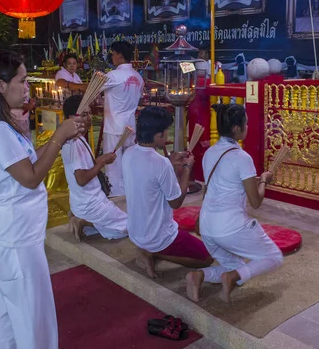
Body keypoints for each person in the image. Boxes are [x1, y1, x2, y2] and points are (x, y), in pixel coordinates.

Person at [0, 50, 82, 349]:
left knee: (13, 311)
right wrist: (59, 136)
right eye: (22, 81)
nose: (28, 87)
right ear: (1, 85)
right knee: (33, 318)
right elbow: (31, 177)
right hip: (16, 239)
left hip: (19, 235)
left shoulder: (2, 125)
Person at [185, 104, 283, 303]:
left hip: (207, 226)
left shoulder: (211, 152)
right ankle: (231, 277)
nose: (247, 126)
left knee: (236, 265)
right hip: (230, 227)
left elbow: (226, 183)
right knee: (274, 257)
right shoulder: (242, 158)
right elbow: (255, 201)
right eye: (245, 123)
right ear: (237, 129)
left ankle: (199, 275)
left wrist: (253, 181)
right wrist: (264, 179)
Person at [122, 106, 213, 279]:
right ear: (158, 135)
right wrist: (186, 168)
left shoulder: (129, 153)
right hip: (158, 236)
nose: (167, 136)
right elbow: (176, 203)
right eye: (166, 132)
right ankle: (153, 253)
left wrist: (170, 163)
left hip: (135, 231)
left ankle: (146, 249)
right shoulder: (160, 163)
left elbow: (149, 177)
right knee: (208, 257)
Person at [61, 95, 128, 241]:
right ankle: (83, 221)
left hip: (87, 200)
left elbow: (86, 166)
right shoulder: (74, 143)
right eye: (84, 115)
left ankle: (81, 218)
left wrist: (102, 159)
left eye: (89, 113)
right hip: (89, 203)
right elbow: (81, 179)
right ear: (72, 118)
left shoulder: (78, 138)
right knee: (130, 228)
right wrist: (101, 163)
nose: (89, 118)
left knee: (123, 223)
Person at [102, 41, 144, 197]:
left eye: (113, 54)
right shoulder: (138, 77)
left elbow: (93, 87)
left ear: (120, 55)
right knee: (129, 161)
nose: (111, 57)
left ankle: (115, 194)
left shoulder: (113, 76)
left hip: (114, 126)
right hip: (130, 125)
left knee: (113, 163)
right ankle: (130, 191)